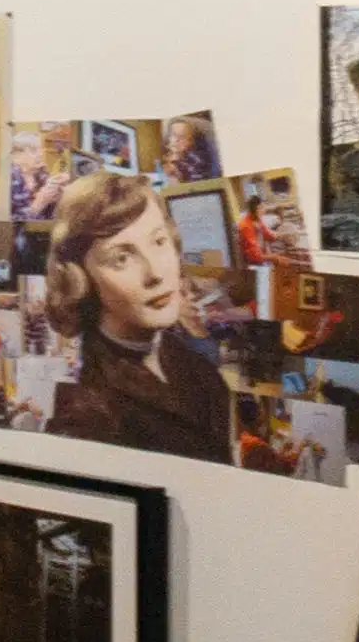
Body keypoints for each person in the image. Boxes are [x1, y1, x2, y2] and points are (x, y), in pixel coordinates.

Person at [39, 170, 231, 460]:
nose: (155, 272)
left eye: (158, 241)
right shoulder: (85, 416)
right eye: (122, 257)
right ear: (81, 280)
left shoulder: (193, 363)